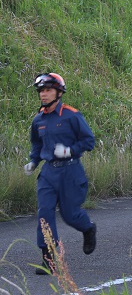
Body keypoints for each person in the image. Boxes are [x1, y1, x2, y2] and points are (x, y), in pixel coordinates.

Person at [24, 73, 97, 275]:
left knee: (70, 215)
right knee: (44, 212)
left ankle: (88, 228)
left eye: (48, 90)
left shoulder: (72, 115)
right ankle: (48, 258)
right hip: (48, 172)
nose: (43, 95)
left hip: (70, 170)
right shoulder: (38, 119)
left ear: (58, 92)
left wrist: (70, 150)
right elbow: (37, 144)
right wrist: (33, 161)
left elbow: (89, 141)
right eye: (41, 91)